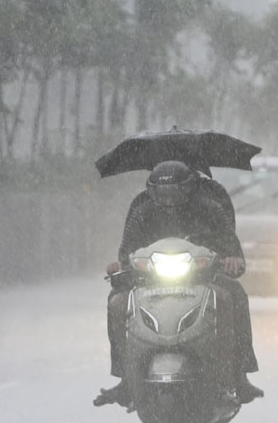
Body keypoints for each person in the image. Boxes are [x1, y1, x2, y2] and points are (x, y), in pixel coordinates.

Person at [94, 160, 264, 407]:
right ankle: (126, 380)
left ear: (189, 188)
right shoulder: (141, 211)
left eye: (174, 192)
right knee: (117, 303)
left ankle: (236, 376)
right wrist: (119, 267)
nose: (168, 200)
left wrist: (232, 261)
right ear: (151, 191)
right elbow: (126, 254)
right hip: (149, 281)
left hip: (204, 277)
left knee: (231, 296)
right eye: (161, 193)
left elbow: (233, 250)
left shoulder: (211, 208)